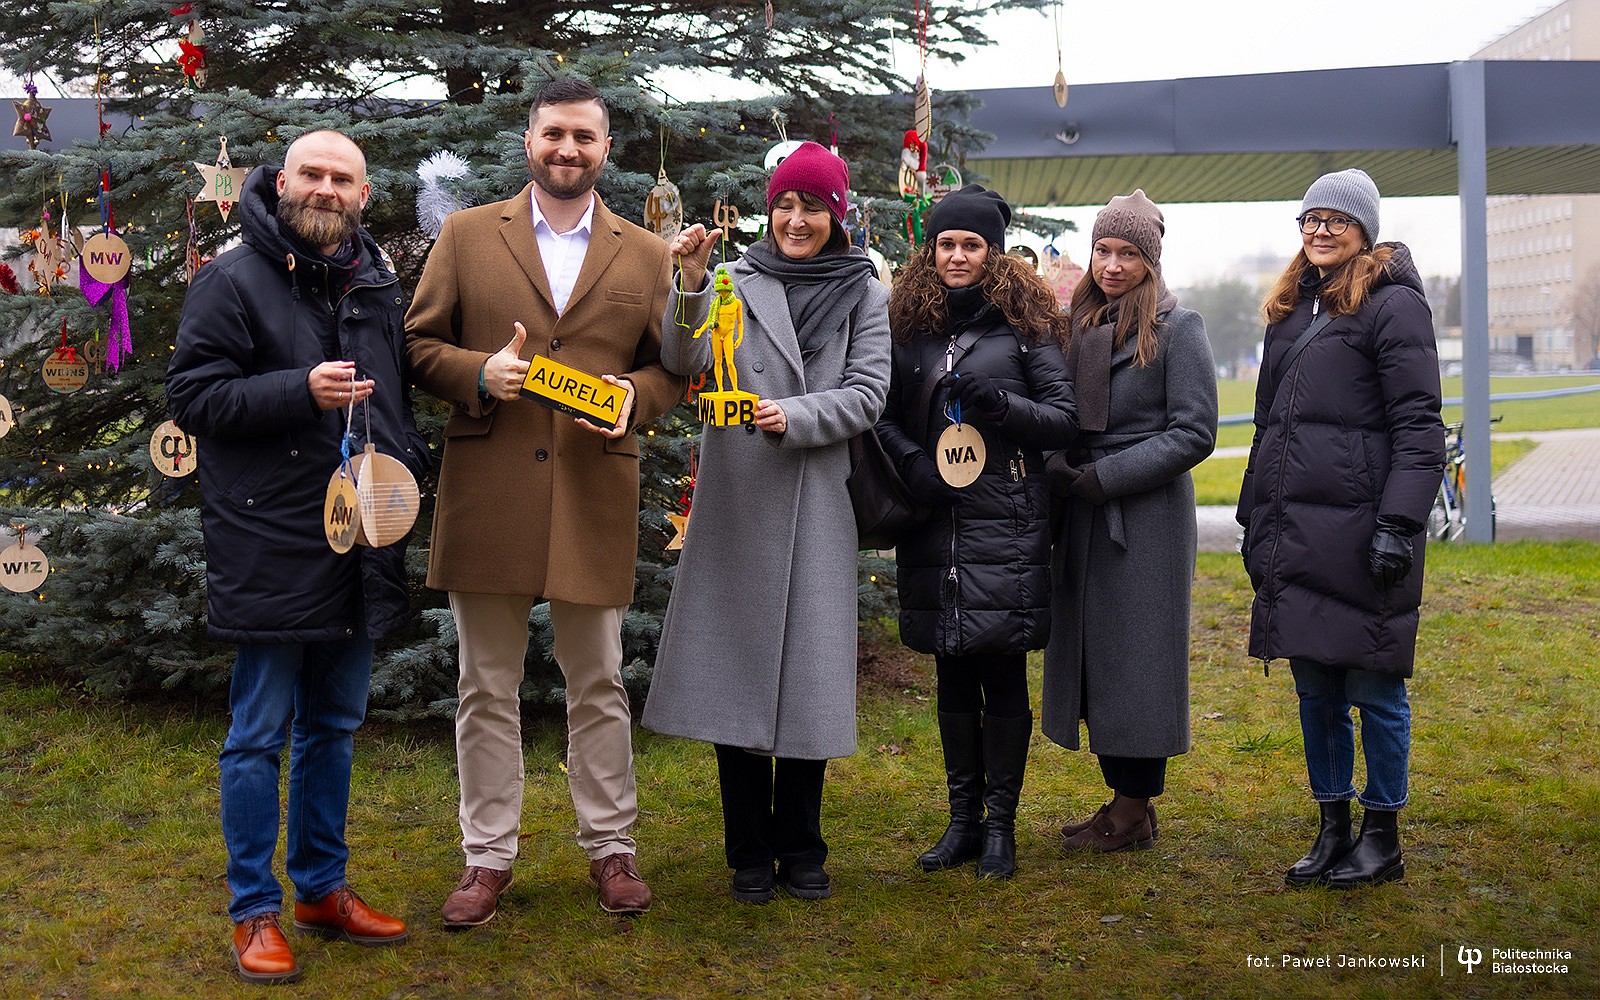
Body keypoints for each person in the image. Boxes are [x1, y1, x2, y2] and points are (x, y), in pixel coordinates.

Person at [404, 78, 684, 921]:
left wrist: (634, 397)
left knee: (597, 680)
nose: (568, 149)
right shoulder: (465, 234)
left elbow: (673, 368)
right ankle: (486, 858)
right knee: (484, 686)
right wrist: (477, 373)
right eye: (554, 134)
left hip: (594, 488)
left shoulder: (645, 253)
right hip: (490, 487)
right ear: (529, 142)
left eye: (584, 137)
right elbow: (418, 343)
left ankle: (611, 848)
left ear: (606, 150)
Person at [167, 130, 423, 985]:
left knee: (335, 726)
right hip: (269, 537)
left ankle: (320, 889)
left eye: (341, 179)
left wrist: (409, 463)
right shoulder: (231, 278)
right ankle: (255, 910)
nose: (325, 188)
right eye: (311, 174)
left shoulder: (375, 279)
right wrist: (298, 390)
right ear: (282, 182)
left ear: (363, 194)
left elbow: (395, 395)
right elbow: (193, 397)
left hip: (359, 534)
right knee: (257, 736)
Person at [641, 142, 890, 904]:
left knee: (810, 674)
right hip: (740, 498)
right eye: (785, 204)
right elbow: (682, 360)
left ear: (835, 216)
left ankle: (803, 848)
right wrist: (689, 282)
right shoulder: (731, 279)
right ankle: (749, 851)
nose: (795, 219)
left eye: (812, 206)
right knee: (737, 670)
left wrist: (798, 415)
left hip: (816, 495)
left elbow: (869, 392)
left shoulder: (864, 291)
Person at [1237, 168, 1444, 889]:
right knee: (1315, 689)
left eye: (1337, 220)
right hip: (1294, 531)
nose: (1320, 231)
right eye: (1310, 219)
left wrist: (1398, 524)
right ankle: (1331, 827)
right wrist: (1252, 516)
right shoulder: (1292, 308)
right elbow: (1266, 427)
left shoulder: (1395, 306)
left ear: (1365, 230)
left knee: (1376, 689)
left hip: (1364, 532)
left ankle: (1381, 836)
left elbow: (1419, 428)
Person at [875, 185, 1077, 879]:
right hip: (934, 520)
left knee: (1003, 670)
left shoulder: (1025, 327)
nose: (957, 256)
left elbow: (1062, 419)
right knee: (952, 672)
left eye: (972, 245)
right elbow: (883, 414)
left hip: (1006, 522)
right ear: (930, 251)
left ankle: (1000, 826)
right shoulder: (910, 327)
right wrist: (913, 465)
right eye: (946, 244)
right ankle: (961, 820)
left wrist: (1002, 405)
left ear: (994, 253)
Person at [1041, 190, 1218, 853]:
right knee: (1098, 662)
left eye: (1128, 254)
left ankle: (1132, 808)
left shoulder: (1179, 329)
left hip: (1143, 520)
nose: (1112, 265)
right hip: (1085, 511)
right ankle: (1124, 801)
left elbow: (1194, 432)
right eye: (1103, 250)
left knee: (1139, 665)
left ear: (1151, 260)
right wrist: (1062, 463)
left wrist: (1108, 475)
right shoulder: (1078, 324)